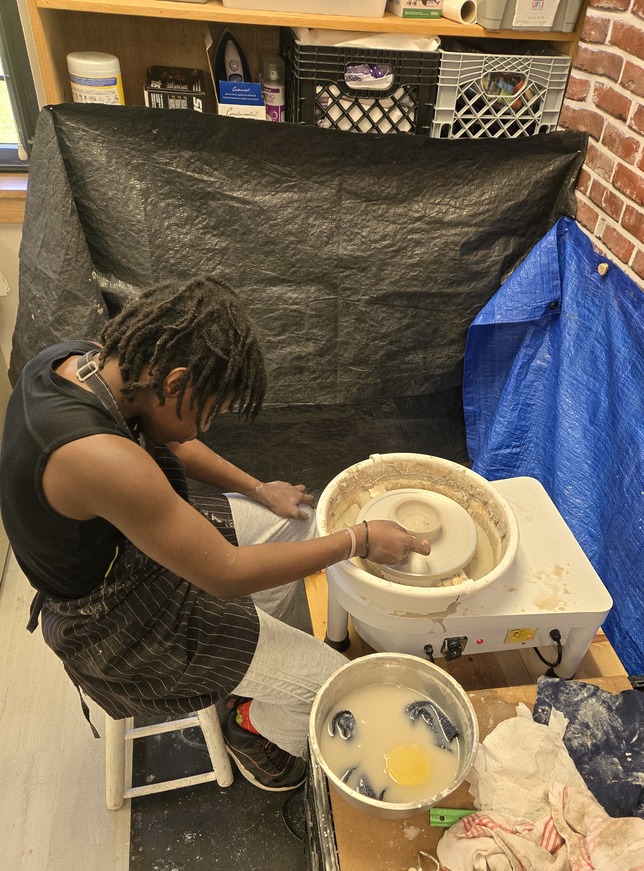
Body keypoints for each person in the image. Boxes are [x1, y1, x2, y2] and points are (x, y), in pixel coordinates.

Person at [0, 276, 429, 791]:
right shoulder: (96, 459)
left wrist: (259, 488)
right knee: (327, 687)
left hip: (130, 541)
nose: (203, 428)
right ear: (176, 383)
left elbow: (173, 445)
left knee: (292, 522)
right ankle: (257, 734)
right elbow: (224, 575)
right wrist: (359, 539)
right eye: (208, 412)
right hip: (111, 619)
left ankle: (255, 673)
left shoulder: (90, 361)